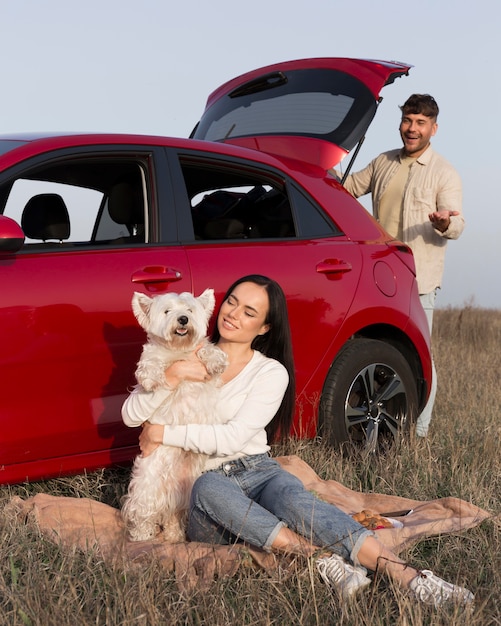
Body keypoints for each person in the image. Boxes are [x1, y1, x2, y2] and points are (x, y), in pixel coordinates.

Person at [122, 274, 473, 606]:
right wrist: (174, 373)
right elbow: (131, 414)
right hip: (209, 481)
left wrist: (162, 432)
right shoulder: (185, 354)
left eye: (249, 312)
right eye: (231, 302)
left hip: (258, 470)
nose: (233, 314)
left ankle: (410, 576)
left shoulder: (270, 372)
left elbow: (235, 437)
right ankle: (319, 558)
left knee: (296, 501)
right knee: (211, 490)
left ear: (265, 327)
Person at [332, 94, 464, 437]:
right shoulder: (383, 162)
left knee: (421, 358)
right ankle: (380, 421)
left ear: (434, 128)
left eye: (420, 123)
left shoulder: (444, 172)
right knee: (379, 348)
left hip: (420, 281)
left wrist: (443, 222)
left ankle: (418, 432)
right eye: (408, 120)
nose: (412, 128)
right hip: (379, 277)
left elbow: (458, 225)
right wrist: (324, 163)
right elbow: (345, 189)